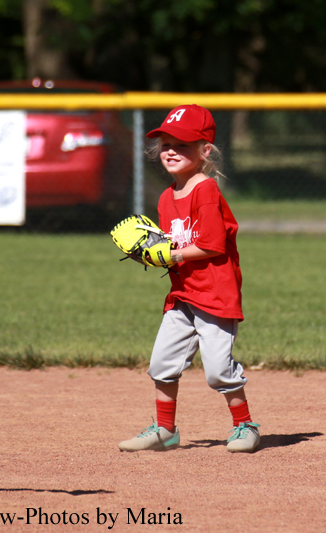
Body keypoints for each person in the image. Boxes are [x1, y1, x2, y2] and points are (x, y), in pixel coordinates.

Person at [118, 104, 260, 454]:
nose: (170, 151)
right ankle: (165, 430)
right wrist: (151, 254)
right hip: (183, 294)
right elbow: (173, 247)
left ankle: (245, 426)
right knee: (161, 363)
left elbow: (211, 245)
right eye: (165, 144)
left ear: (205, 151)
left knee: (218, 371)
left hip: (215, 294)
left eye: (182, 145)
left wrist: (173, 255)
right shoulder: (166, 197)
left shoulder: (205, 190)